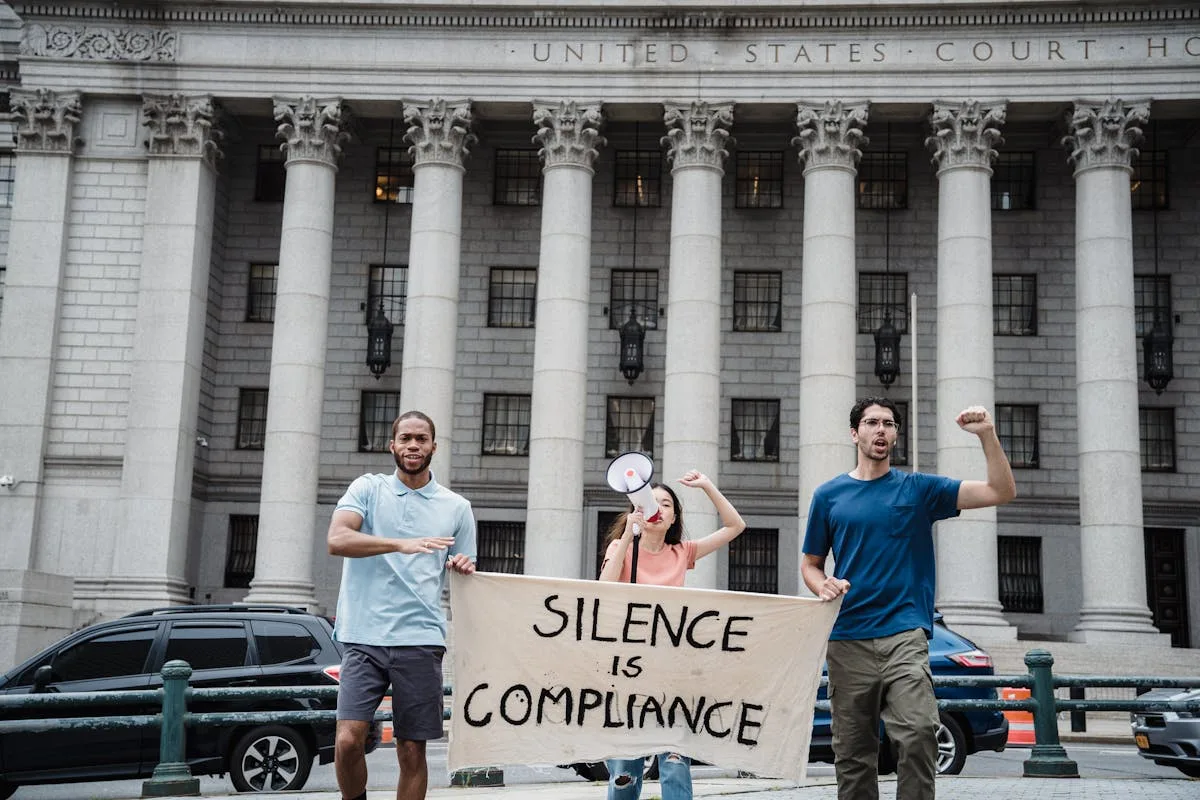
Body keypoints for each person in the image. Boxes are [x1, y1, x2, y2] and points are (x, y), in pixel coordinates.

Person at [801, 397, 1016, 800]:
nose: (880, 430)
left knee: (918, 732)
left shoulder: (919, 489)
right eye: (871, 423)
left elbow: (1000, 491)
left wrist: (986, 434)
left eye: (888, 423)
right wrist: (822, 584)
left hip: (904, 634)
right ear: (855, 433)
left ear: (896, 434)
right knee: (852, 752)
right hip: (847, 638)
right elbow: (810, 564)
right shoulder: (829, 495)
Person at [326, 410, 477, 800]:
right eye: (406, 438)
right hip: (363, 635)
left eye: (421, 439)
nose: (413, 445)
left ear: (433, 447)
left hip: (420, 637)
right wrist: (398, 543)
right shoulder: (367, 489)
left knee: (411, 749)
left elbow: (465, 571)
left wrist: (463, 565)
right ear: (392, 445)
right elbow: (338, 539)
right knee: (347, 740)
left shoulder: (456, 507)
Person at [597, 469, 746, 800]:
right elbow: (603, 588)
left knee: (675, 762)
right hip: (629, 672)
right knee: (625, 769)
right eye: (653, 503)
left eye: (667, 504)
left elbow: (735, 527)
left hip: (672, 672)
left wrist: (707, 486)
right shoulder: (621, 547)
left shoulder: (683, 552)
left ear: (674, 517)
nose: (659, 509)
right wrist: (627, 535)